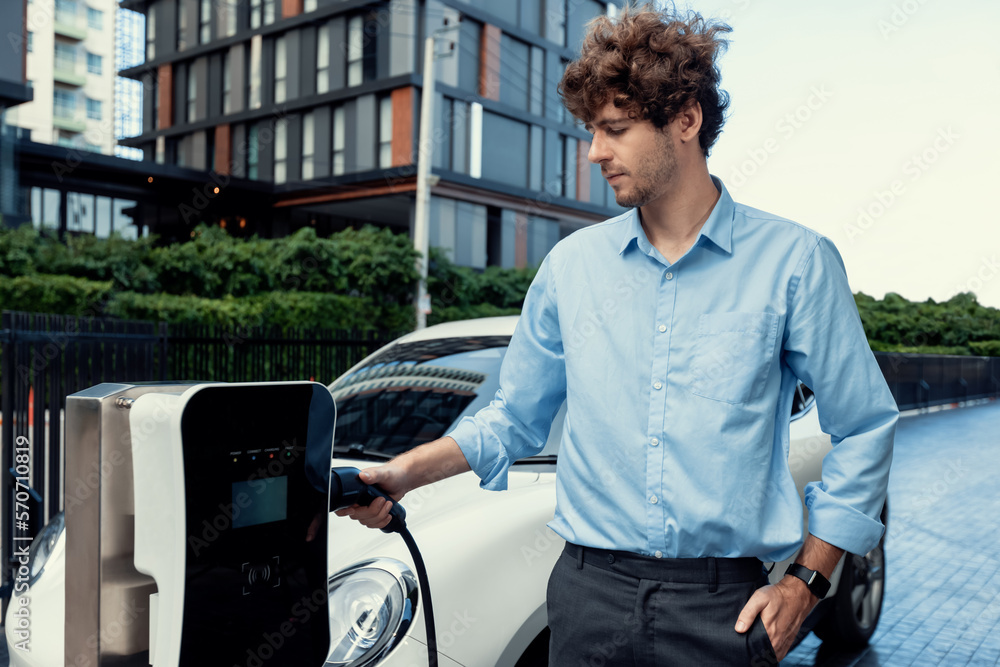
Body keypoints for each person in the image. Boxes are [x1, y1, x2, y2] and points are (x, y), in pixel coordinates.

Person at [335, 5, 897, 665]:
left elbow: (863, 424)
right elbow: (512, 417)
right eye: (592, 130)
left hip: (721, 609)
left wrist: (807, 580)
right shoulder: (571, 269)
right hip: (585, 597)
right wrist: (405, 472)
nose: (595, 151)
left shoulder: (795, 262)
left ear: (686, 120)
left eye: (616, 129)